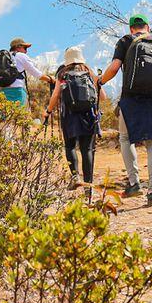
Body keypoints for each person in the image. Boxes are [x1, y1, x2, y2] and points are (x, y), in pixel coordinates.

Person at [99, 14, 152, 206]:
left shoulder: (126, 41)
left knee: (125, 138)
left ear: (131, 28)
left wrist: (100, 81)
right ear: (147, 27)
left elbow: (115, 67)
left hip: (131, 97)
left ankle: (134, 183)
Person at [44, 46, 105, 193]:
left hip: (70, 115)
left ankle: (75, 177)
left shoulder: (63, 74)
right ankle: (88, 188)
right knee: (87, 150)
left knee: (70, 146)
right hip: (88, 116)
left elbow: (55, 95)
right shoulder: (88, 71)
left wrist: (48, 111)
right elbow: (103, 97)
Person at [0, 37, 54, 107]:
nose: (26, 51)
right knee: (17, 116)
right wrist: (51, 79)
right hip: (16, 91)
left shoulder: (5, 57)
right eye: (25, 48)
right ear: (18, 47)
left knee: (0, 116)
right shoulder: (21, 56)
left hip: (0, 91)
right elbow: (37, 74)